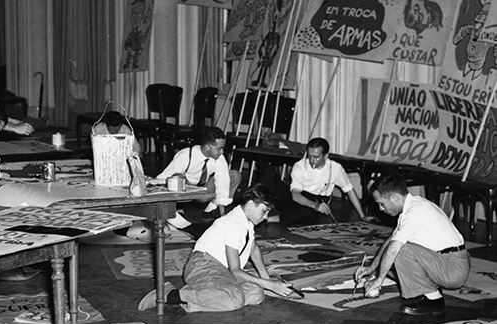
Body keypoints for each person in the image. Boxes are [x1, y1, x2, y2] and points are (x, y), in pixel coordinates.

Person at [138, 184, 293, 312]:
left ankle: (207, 298)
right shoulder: (233, 223)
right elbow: (236, 272)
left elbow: (253, 250)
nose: (265, 217)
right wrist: (271, 285)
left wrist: (266, 280)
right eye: (264, 211)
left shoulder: (246, 221)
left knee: (256, 293)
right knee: (235, 300)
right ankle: (171, 294)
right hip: (203, 266)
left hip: (220, 270)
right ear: (252, 205)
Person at [355, 174, 470, 315]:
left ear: (395, 198)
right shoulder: (413, 206)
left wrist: (379, 280)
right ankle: (429, 288)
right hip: (448, 261)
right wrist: (372, 267)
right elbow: (392, 239)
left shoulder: (415, 212)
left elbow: (393, 250)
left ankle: (433, 299)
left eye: (381, 203)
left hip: (453, 268)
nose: (380, 209)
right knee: (390, 259)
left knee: (399, 251)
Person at [262, 137, 374, 227]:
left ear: (326, 156)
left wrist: (362, 215)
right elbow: (295, 195)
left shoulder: (335, 168)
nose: (311, 161)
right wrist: (314, 205)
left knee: (307, 215)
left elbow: (349, 190)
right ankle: (275, 212)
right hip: (298, 197)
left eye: (316, 157)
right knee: (267, 173)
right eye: (309, 156)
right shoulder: (300, 166)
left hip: (316, 200)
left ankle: (269, 219)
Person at [156, 126, 241, 219]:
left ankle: (211, 210)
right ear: (208, 147)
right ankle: (178, 211)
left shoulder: (219, 158)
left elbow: (222, 184)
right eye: (219, 148)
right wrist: (186, 185)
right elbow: (162, 178)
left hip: (204, 187)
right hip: (187, 189)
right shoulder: (185, 155)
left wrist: (223, 215)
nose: (222, 151)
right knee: (177, 177)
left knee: (235, 175)